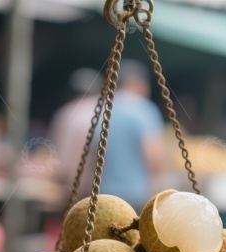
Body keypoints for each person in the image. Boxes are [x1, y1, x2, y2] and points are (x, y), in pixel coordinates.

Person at [99, 60, 165, 210]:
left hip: (104, 194)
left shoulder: (103, 108)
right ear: (138, 83)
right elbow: (154, 157)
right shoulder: (144, 110)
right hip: (136, 196)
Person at [49, 68, 102, 198]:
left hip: (73, 184)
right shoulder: (108, 111)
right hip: (104, 185)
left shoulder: (66, 113)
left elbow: (59, 156)